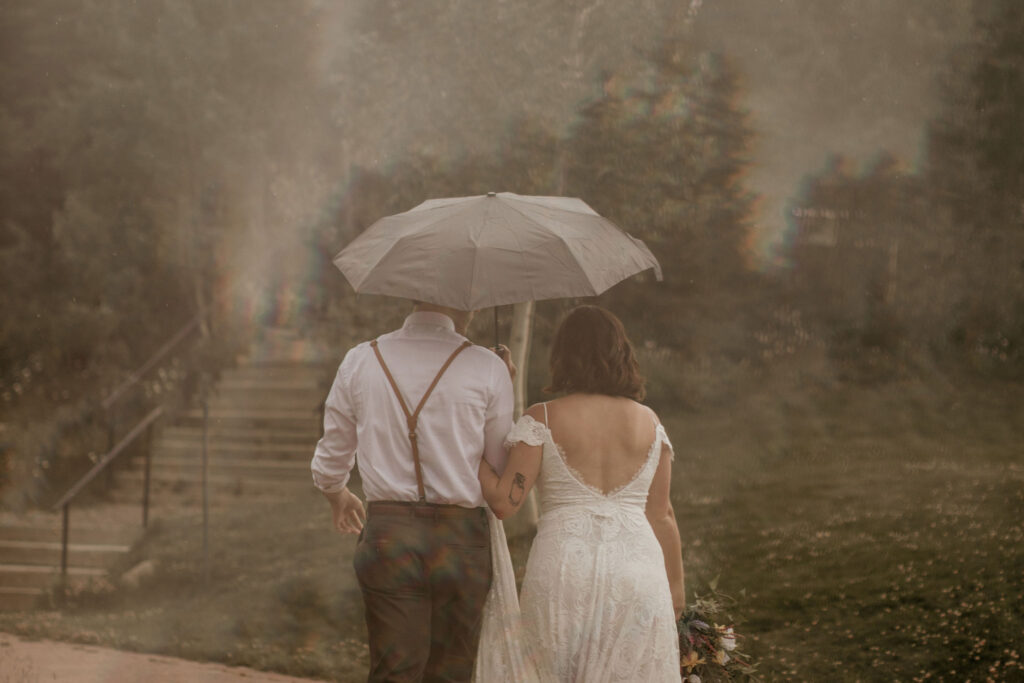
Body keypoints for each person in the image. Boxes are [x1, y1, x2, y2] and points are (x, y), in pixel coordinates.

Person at [478, 305, 684, 682]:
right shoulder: (650, 422)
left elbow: (505, 503)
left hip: (564, 572)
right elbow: (662, 514)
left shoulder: (542, 418)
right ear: (622, 353)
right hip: (638, 571)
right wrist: (676, 586)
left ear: (563, 356)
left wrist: (471, 451)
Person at [311, 302, 515, 682]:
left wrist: (336, 494)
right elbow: (500, 467)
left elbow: (333, 453)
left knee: (395, 670)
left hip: (390, 533)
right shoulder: (488, 367)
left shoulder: (361, 359)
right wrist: (505, 381)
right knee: (451, 671)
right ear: (462, 302)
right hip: (461, 535)